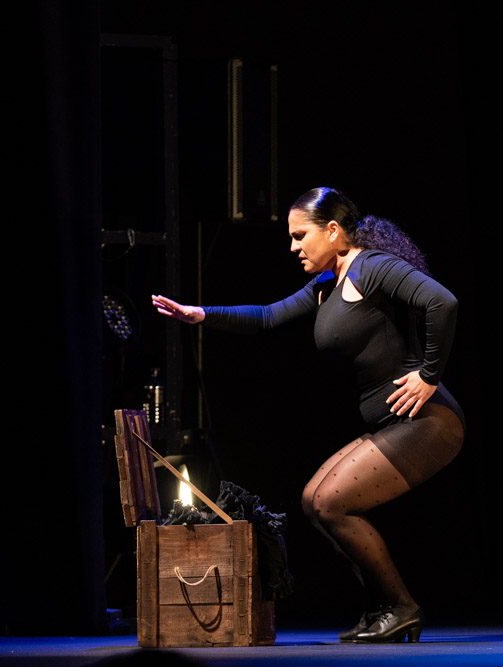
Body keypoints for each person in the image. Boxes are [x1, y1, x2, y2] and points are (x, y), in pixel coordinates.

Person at [151, 187, 464, 643]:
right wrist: (200, 314)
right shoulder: (327, 284)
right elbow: (266, 316)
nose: (293, 247)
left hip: (430, 422)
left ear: (333, 231)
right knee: (314, 501)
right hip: (394, 423)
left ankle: (402, 607)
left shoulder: (373, 267)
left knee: (332, 502)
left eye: (301, 236)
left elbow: (443, 302)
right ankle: (383, 608)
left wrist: (429, 376)